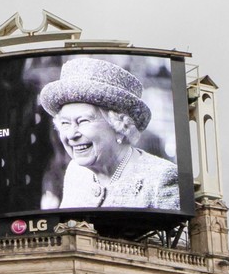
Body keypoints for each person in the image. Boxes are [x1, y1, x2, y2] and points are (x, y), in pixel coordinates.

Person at [37, 55, 180, 210]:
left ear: (120, 127)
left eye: (83, 121)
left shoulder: (162, 178)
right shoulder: (75, 172)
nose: (71, 135)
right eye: (65, 123)